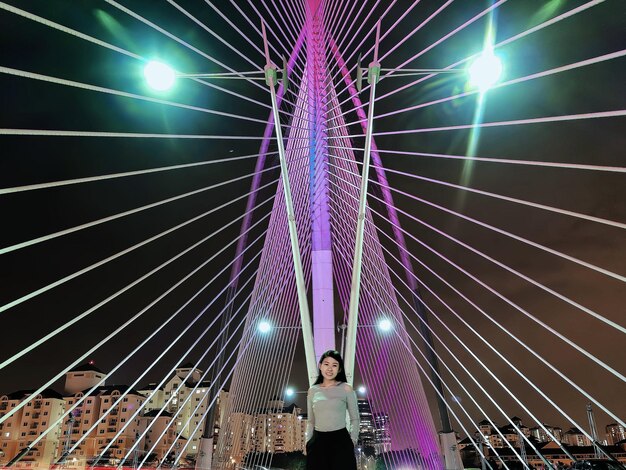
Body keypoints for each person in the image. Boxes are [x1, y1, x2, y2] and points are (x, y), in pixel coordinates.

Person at [306, 350, 359, 470]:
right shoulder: (312, 390)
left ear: (339, 369)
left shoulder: (346, 388)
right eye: (326, 364)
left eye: (334, 365)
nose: (330, 368)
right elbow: (310, 421)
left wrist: (353, 441)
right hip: (318, 442)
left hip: (341, 441)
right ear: (320, 366)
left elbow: (355, 419)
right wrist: (308, 442)